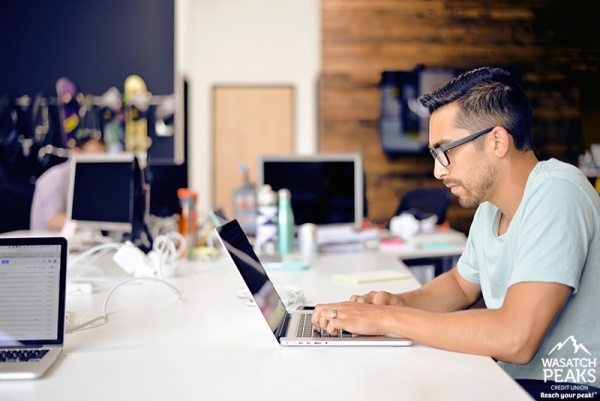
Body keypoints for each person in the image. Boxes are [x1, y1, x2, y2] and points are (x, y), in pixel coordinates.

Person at [311, 67, 600, 394]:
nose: (438, 170)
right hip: (514, 382)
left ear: (497, 141)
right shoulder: (491, 207)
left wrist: (387, 322)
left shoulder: (557, 192)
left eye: (446, 151)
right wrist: (396, 304)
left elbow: (516, 337)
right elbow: (460, 286)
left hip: (566, 389)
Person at [30, 135, 106, 231]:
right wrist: (97, 222)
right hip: (52, 243)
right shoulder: (54, 178)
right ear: (76, 153)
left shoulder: (88, 181)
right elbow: (53, 220)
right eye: (94, 158)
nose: (98, 165)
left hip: (78, 242)